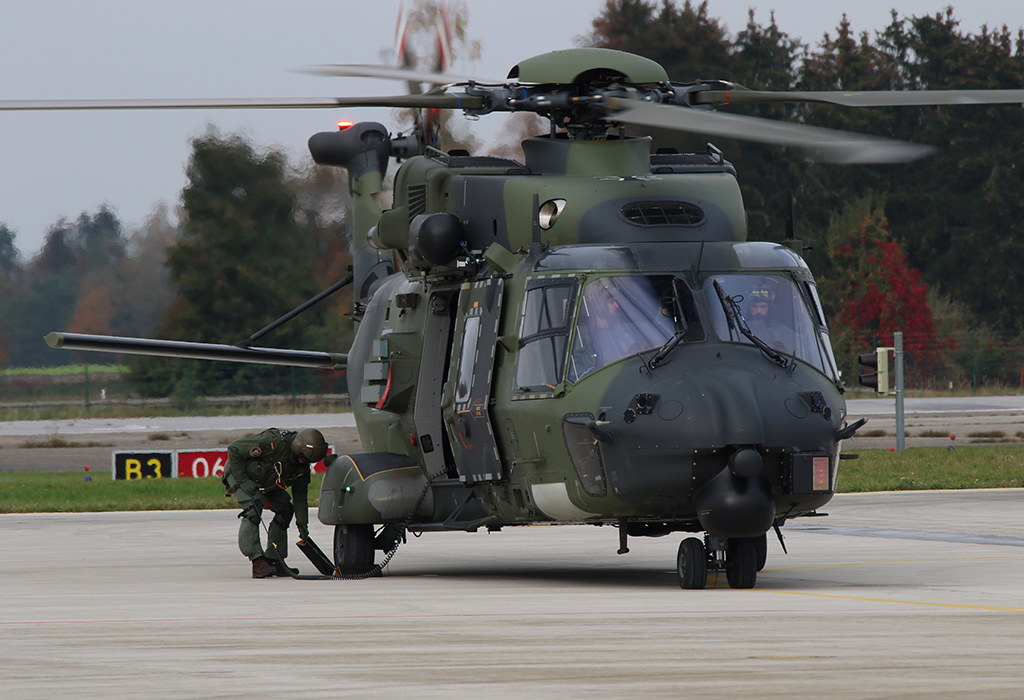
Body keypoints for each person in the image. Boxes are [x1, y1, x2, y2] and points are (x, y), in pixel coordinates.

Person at [222, 427, 328, 578]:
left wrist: (302, 524)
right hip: (239, 472)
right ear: (297, 449)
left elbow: (300, 496)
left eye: (309, 462)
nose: (304, 463)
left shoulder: (301, 466)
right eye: (304, 459)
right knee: (254, 506)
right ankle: (257, 561)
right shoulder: (273, 442)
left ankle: (274, 559)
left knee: (285, 509)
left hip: (265, 480)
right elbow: (234, 449)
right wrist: (243, 481)